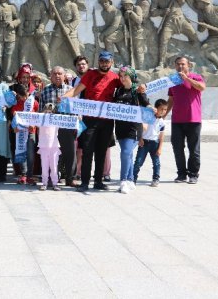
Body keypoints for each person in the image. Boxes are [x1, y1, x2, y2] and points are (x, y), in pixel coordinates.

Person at [64, 51, 121, 192]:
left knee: (101, 152)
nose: (104, 64)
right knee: (87, 151)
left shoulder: (115, 78)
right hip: (90, 119)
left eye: (107, 61)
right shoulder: (90, 74)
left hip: (107, 121)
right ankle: (84, 182)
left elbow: (127, 88)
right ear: (98, 62)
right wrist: (63, 97)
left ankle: (98, 181)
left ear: (111, 62)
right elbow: (76, 91)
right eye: (102, 61)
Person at [163, 56, 205, 184]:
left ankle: (193, 174)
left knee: (194, 150)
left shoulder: (196, 77)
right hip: (177, 120)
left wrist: (186, 79)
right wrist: (163, 115)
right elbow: (171, 100)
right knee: (177, 148)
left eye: (183, 64)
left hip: (193, 120)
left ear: (188, 65)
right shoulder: (173, 81)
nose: (180, 66)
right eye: (178, 64)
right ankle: (181, 174)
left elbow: (201, 87)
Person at [38, 66, 77, 187]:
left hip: (66, 125)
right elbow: (40, 110)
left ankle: (70, 178)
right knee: (52, 152)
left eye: (60, 73)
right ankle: (51, 178)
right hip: (50, 128)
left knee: (70, 152)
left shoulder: (71, 90)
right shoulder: (45, 91)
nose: (57, 76)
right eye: (54, 74)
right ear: (51, 76)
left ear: (64, 76)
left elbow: (76, 108)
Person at [113, 66, 148, 194]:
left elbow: (146, 104)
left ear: (131, 77)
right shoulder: (118, 91)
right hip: (120, 127)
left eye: (125, 76)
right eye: (120, 76)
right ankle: (131, 179)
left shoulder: (137, 90)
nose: (122, 79)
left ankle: (123, 181)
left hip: (134, 128)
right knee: (128, 153)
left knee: (126, 152)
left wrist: (143, 93)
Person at [8, 83, 38, 184]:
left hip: (31, 131)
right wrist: (14, 127)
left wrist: (34, 124)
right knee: (21, 152)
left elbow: (39, 116)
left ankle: (30, 175)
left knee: (30, 154)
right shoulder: (16, 103)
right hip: (20, 132)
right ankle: (23, 174)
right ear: (18, 95)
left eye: (26, 95)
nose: (25, 98)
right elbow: (14, 119)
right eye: (22, 96)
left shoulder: (34, 102)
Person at [134, 99, 167, 187]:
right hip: (144, 143)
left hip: (154, 143)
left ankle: (156, 179)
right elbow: (141, 128)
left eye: (165, 110)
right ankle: (133, 179)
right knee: (138, 162)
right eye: (161, 109)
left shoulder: (162, 122)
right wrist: (140, 138)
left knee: (156, 162)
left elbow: (161, 136)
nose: (163, 111)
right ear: (156, 108)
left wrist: (160, 148)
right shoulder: (148, 117)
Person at [37, 103, 61, 191]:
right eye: (46, 112)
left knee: (54, 166)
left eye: (50, 112)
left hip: (54, 146)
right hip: (43, 146)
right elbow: (30, 118)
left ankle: (55, 183)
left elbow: (67, 122)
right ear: (43, 112)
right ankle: (44, 183)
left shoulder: (57, 121)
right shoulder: (40, 120)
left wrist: (76, 119)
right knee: (44, 166)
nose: (48, 114)